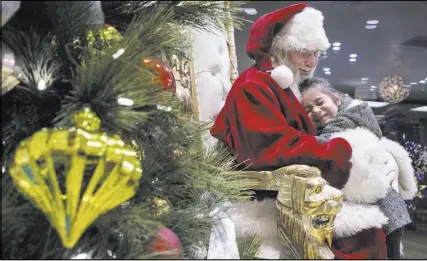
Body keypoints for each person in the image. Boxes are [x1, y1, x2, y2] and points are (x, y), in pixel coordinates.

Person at [210, 3, 388, 259]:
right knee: (366, 237)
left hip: (291, 188)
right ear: (280, 48)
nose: (311, 62)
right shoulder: (254, 85)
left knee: (378, 215)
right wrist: (335, 150)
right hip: (265, 198)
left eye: (316, 53)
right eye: (305, 52)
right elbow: (267, 147)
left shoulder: (281, 86)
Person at [300, 77, 414, 259]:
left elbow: (323, 144)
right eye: (308, 109)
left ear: (336, 99)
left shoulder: (351, 117)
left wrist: (292, 140)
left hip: (385, 210)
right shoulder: (338, 121)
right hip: (381, 211)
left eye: (320, 102)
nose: (316, 110)